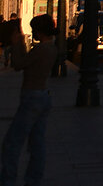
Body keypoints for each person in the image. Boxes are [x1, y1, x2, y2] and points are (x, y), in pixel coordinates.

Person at [2, 14, 57, 186]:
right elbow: (26, 61)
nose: (32, 33)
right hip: (43, 96)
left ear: (40, 31)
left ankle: (8, 180)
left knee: (12, 143)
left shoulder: (41, 49)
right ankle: (33, 180)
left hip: (31, 97)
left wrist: (16, 42)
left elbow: (18, 64)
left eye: (34, 30)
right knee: (37, 144)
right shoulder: (51, 48)